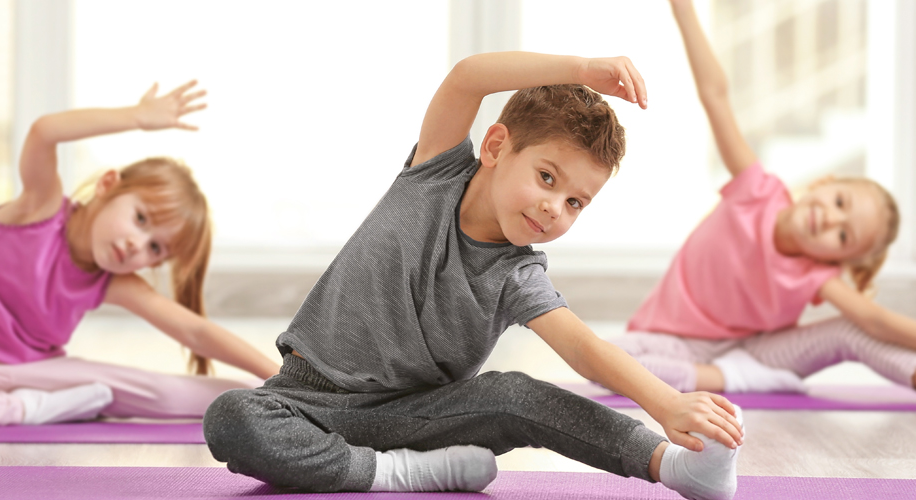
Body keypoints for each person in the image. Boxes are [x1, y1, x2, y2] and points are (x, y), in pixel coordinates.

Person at [202, 50, 744, 500]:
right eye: (547, 177)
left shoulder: (518, 273)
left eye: (576, 201)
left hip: (411, 419)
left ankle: (673, 468)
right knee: (231, 416)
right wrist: (579, 71)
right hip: (302, 401)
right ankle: (402, 475)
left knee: (515, 395)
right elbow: (467, 78)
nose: (555, 207)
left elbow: (583, 348)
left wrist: (667, 404)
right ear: (495, 147)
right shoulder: (433, 173)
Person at [612, 0, 916, 396]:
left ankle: (733, 375)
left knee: (850, 332)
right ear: (824, 183)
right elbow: (716, 96)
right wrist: (684, 10)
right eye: (840, 203)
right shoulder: (756, 190)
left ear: (837, 258)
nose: (830, 221)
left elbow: (872, 321)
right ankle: (728, 380)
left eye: (844, 237)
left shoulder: (815, 275)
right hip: (675, 342)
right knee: (607, 359)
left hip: (757, 354)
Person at [0, 81, 280, 427]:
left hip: (39, 372)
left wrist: (280, 377)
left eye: (155, 248)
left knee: (166, 393)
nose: (137, 244)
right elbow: (44, 132)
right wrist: (137, 116)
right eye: (140, 218)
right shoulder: (39, 208)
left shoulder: (113, 282)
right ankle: (25, 410)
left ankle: (282, 398)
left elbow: (196, 333)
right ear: (107, 185)